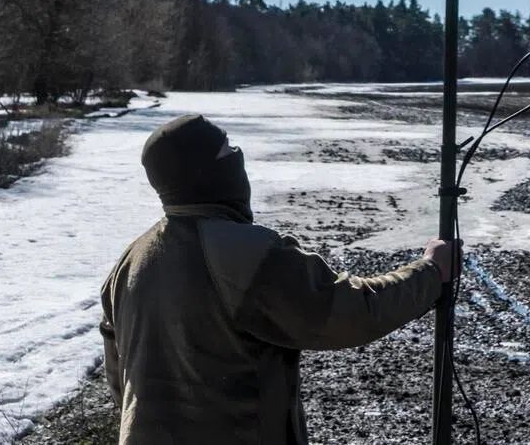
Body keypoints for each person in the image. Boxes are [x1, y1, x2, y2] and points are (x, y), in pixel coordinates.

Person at [99, 112, 456, 444]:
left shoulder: (129, 262)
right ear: (206, 172)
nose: (238, 155)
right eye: (228, 150)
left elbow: (121, 383)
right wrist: (430, 272)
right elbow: (349, 313)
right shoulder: (246, 254)